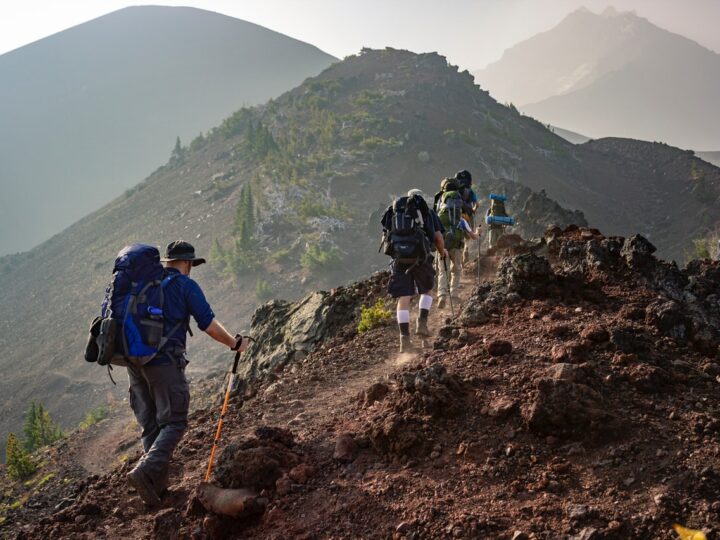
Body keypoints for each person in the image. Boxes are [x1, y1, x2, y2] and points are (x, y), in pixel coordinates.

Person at [126, 240, 247, 506]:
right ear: (188, 263)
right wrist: (234, 343)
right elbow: (208, 324)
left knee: (152, 425)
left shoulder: (144, 284)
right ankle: (146, 471)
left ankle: (155, 490)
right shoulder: (185, 285)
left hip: (133, 363)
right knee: (175, 422)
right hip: (164, 362)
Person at [382, 190, 447, 353]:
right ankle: (422, 323)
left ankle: (404, 340)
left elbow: (385, 238)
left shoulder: (393, 213)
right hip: (420, 259)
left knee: (403, 298)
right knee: (427, 291)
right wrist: (442, 252)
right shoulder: (427, 212)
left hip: (399, 261)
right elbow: (438, 238)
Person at [436, 189, 481, 308]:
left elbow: (434, 235)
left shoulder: (438, 217)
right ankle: (454, 295)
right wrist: (478, 232)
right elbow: (473, 236)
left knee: (442, 272)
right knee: (455, 271)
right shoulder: (461, 220)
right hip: (456, 247)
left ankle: (442, 295)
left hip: (442, 248)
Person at [454, 170, 479, 265]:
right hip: (467, 215)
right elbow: (477, 204)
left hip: (457, 215)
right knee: (468, 235)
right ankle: (466, 250)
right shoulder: (471, 192)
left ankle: (459, 254)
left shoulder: (455, 192)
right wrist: (473, 210)